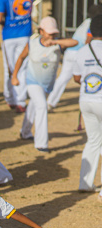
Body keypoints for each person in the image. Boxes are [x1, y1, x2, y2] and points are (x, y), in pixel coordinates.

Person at [12, 16, 77, 152]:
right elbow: (21, 58)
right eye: (49, 33)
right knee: (41, 106)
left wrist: (55, 42)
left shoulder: (58, 44)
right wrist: (14, 76)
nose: (51, 35)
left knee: (34, 106)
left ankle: (25, 131)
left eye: (54, 33)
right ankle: (41, 144)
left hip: (47, 85)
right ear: (41, 31)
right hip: (32, 81)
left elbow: (75, 42)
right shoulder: (32, 43)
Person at [48, 5, 102, 112]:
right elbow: (88, 41)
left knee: (63, 78)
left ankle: (50, 102)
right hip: (79, 53)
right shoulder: (95, 25)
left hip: (70, 52)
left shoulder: (86, 22)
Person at [73, 15, 102, 198]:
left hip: (86, 100)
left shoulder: (83, 50)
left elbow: (77, 78)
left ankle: (85, 182)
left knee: (93, 141)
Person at [0, 0, 32, 113]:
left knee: (10, 68)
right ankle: (19, 101)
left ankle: (11, 98)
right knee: (22, 68)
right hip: (25, 34)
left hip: (9, 35)